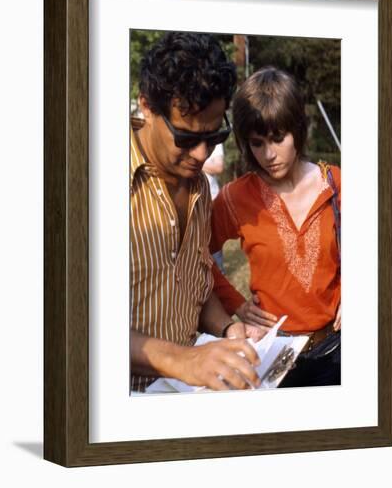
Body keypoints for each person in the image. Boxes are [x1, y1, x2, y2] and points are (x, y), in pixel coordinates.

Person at [130, 31, 262, 393]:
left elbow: (195, 286)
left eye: (214, 138)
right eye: (187, 138)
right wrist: (183, 361)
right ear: (147, 106)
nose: (202, 155)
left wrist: (227, 328)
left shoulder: (201, 189)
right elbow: (73, 322)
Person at [210, 66, 341, 387]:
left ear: (298, 129)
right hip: (274, 355)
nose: (268, 154)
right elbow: (194, 255)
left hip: (340, 350)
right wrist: (235, 303)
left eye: (278, 138)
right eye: (256, 142)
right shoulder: (235, 196)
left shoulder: (338, 183)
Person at [203, 144, 226, 272]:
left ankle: (219, 275)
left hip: (211, 199)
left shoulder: (215, 142)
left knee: (214, 248)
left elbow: (218, 167)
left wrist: (194, 161)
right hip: (190, 200)